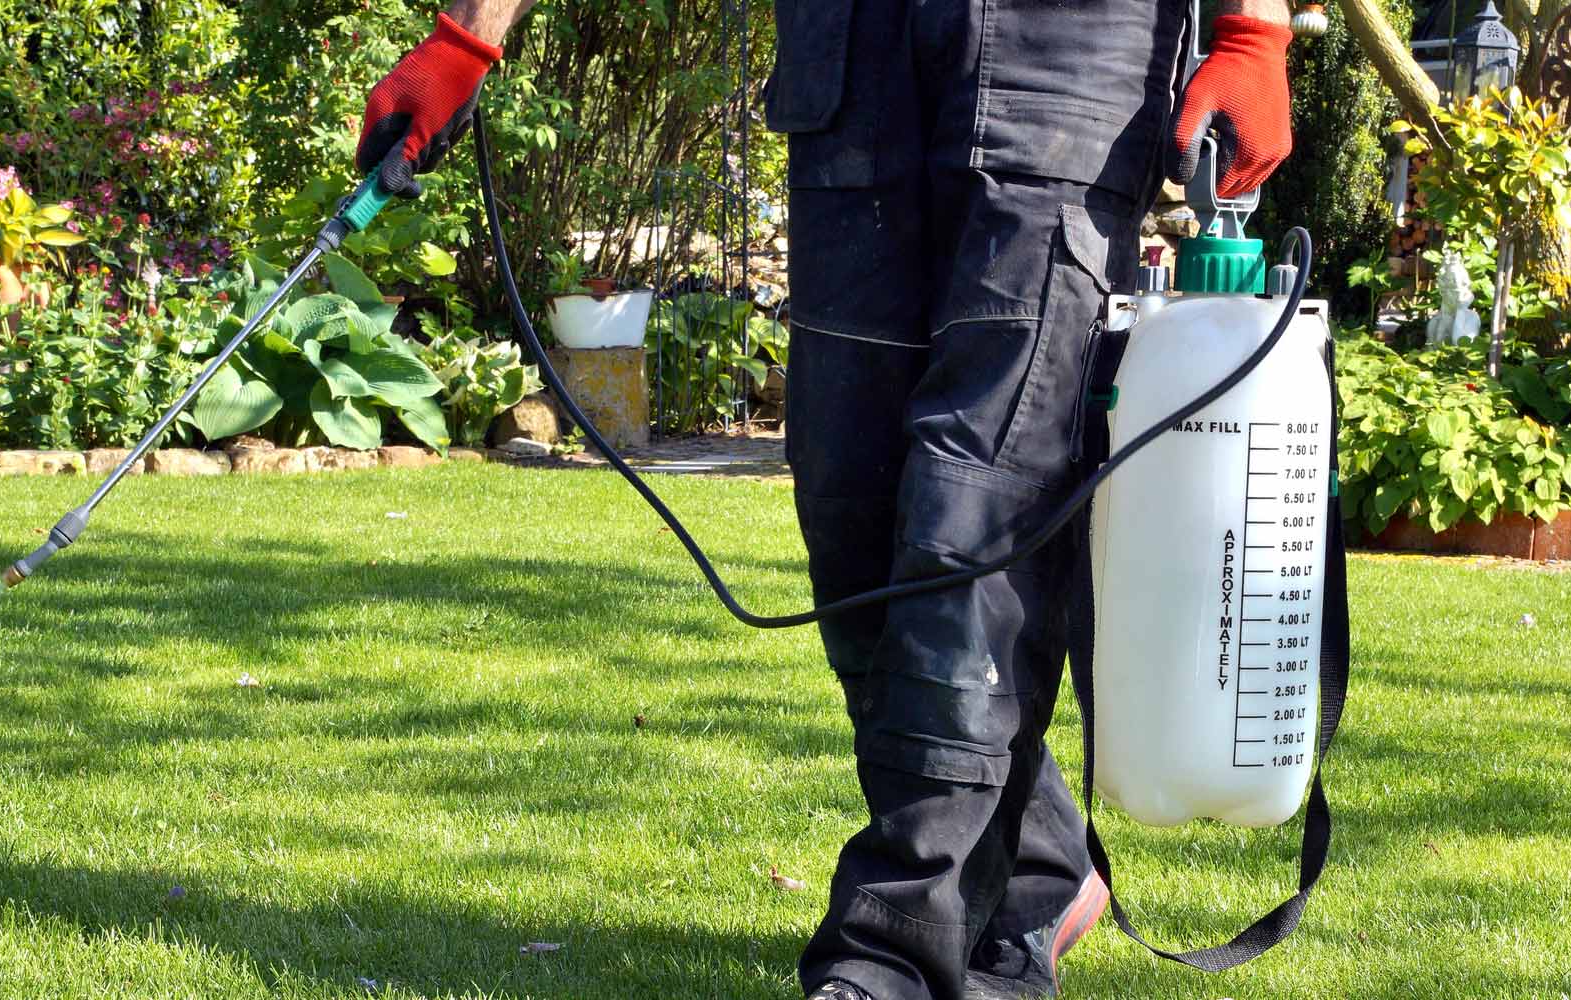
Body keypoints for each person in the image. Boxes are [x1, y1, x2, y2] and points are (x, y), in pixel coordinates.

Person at [354, 1, 1296, 997]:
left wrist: (1253, 29)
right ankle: (1030, 871)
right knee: (850, 514)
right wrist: (465, 38)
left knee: (974, 499)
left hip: (1061, 53)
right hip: (851, 53)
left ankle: (891, 952)